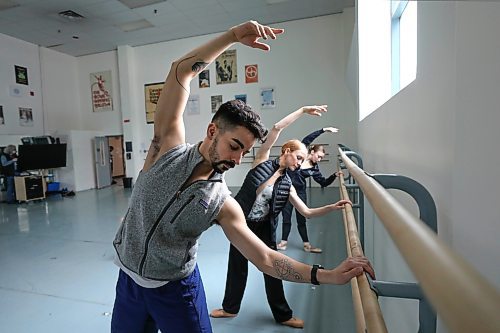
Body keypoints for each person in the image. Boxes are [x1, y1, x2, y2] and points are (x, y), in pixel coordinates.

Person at [111, 20, 374, 333]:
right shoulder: (165, 148)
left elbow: (266, 258)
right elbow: (181, 71)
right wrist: (232, 36)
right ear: (212, 131)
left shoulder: (222, 203)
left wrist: (327, 275)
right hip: (128, 282)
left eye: (244, 152)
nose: (237, 159)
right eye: (234, 146)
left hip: (175, 292)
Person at [209, 108, 355, 329]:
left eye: (302, 160)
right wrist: (303, 111)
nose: (298, 163)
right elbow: (277, 128)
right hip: (242, 223)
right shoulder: (261, 162)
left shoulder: (288, 185)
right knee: (237, 265)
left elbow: (306, 212)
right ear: (286, 151)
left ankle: (283, 315)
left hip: (265, 228)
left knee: (273, 270)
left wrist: (332, 207)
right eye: (297, 157)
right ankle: (230, 308)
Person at [277, 127, 341, 253]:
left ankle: (307, 245)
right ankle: (283, 243)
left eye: (322, 158)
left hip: (300, 193)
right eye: (319, 156)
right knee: (286, 218)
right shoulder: (301, 155)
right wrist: (323, 130)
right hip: (287, 190)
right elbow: (308, 138)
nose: (319, 159)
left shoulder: (314, 169)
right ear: (312, 151)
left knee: (302, 219)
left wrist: (334, 176)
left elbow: (323, 182)